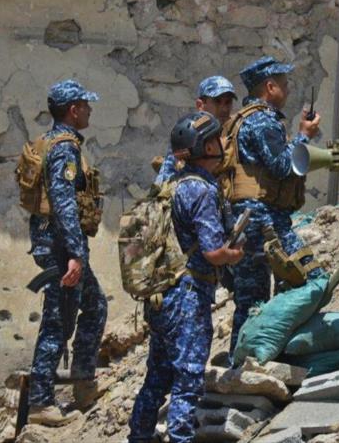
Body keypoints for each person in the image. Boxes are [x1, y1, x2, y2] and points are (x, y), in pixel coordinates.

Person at [128, 113, 244, 443]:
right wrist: (234, 254)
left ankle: (138, 436)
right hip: (188, 297)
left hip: (162, 296)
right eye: (219, 139)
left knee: (158, 377)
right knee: (188, 379)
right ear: (206, 146)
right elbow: (212, 252)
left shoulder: (172, 186)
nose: (224, 144)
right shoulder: (203, 191)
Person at [223, 56, 323, 357]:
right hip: (265, 220)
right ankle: (290, 353)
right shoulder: (263, 120)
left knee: (250, 299)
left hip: (248, 220)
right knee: (312, 279)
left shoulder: (242, 119)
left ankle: (239, 362)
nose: (288, 90)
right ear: (270, 87)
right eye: (284, 84)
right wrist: (304, 135)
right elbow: (282, 166)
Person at [27, 80, 108, 426]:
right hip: (61, 247)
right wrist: (75, 253)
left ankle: (83, 381)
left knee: (93, 305)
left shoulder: (55, 142)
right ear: (73, 110)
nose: (90, 110)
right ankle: (40, 403)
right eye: (86, 105)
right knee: (58, 320)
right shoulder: (64, 149)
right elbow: (63, 205)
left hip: (57, 244)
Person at [154, 76, 238, 185]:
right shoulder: (190, 136)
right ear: (200, 105)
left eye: (228, 102)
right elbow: (166, 178)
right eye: (217, 102)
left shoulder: (235, 132)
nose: (224, 109)